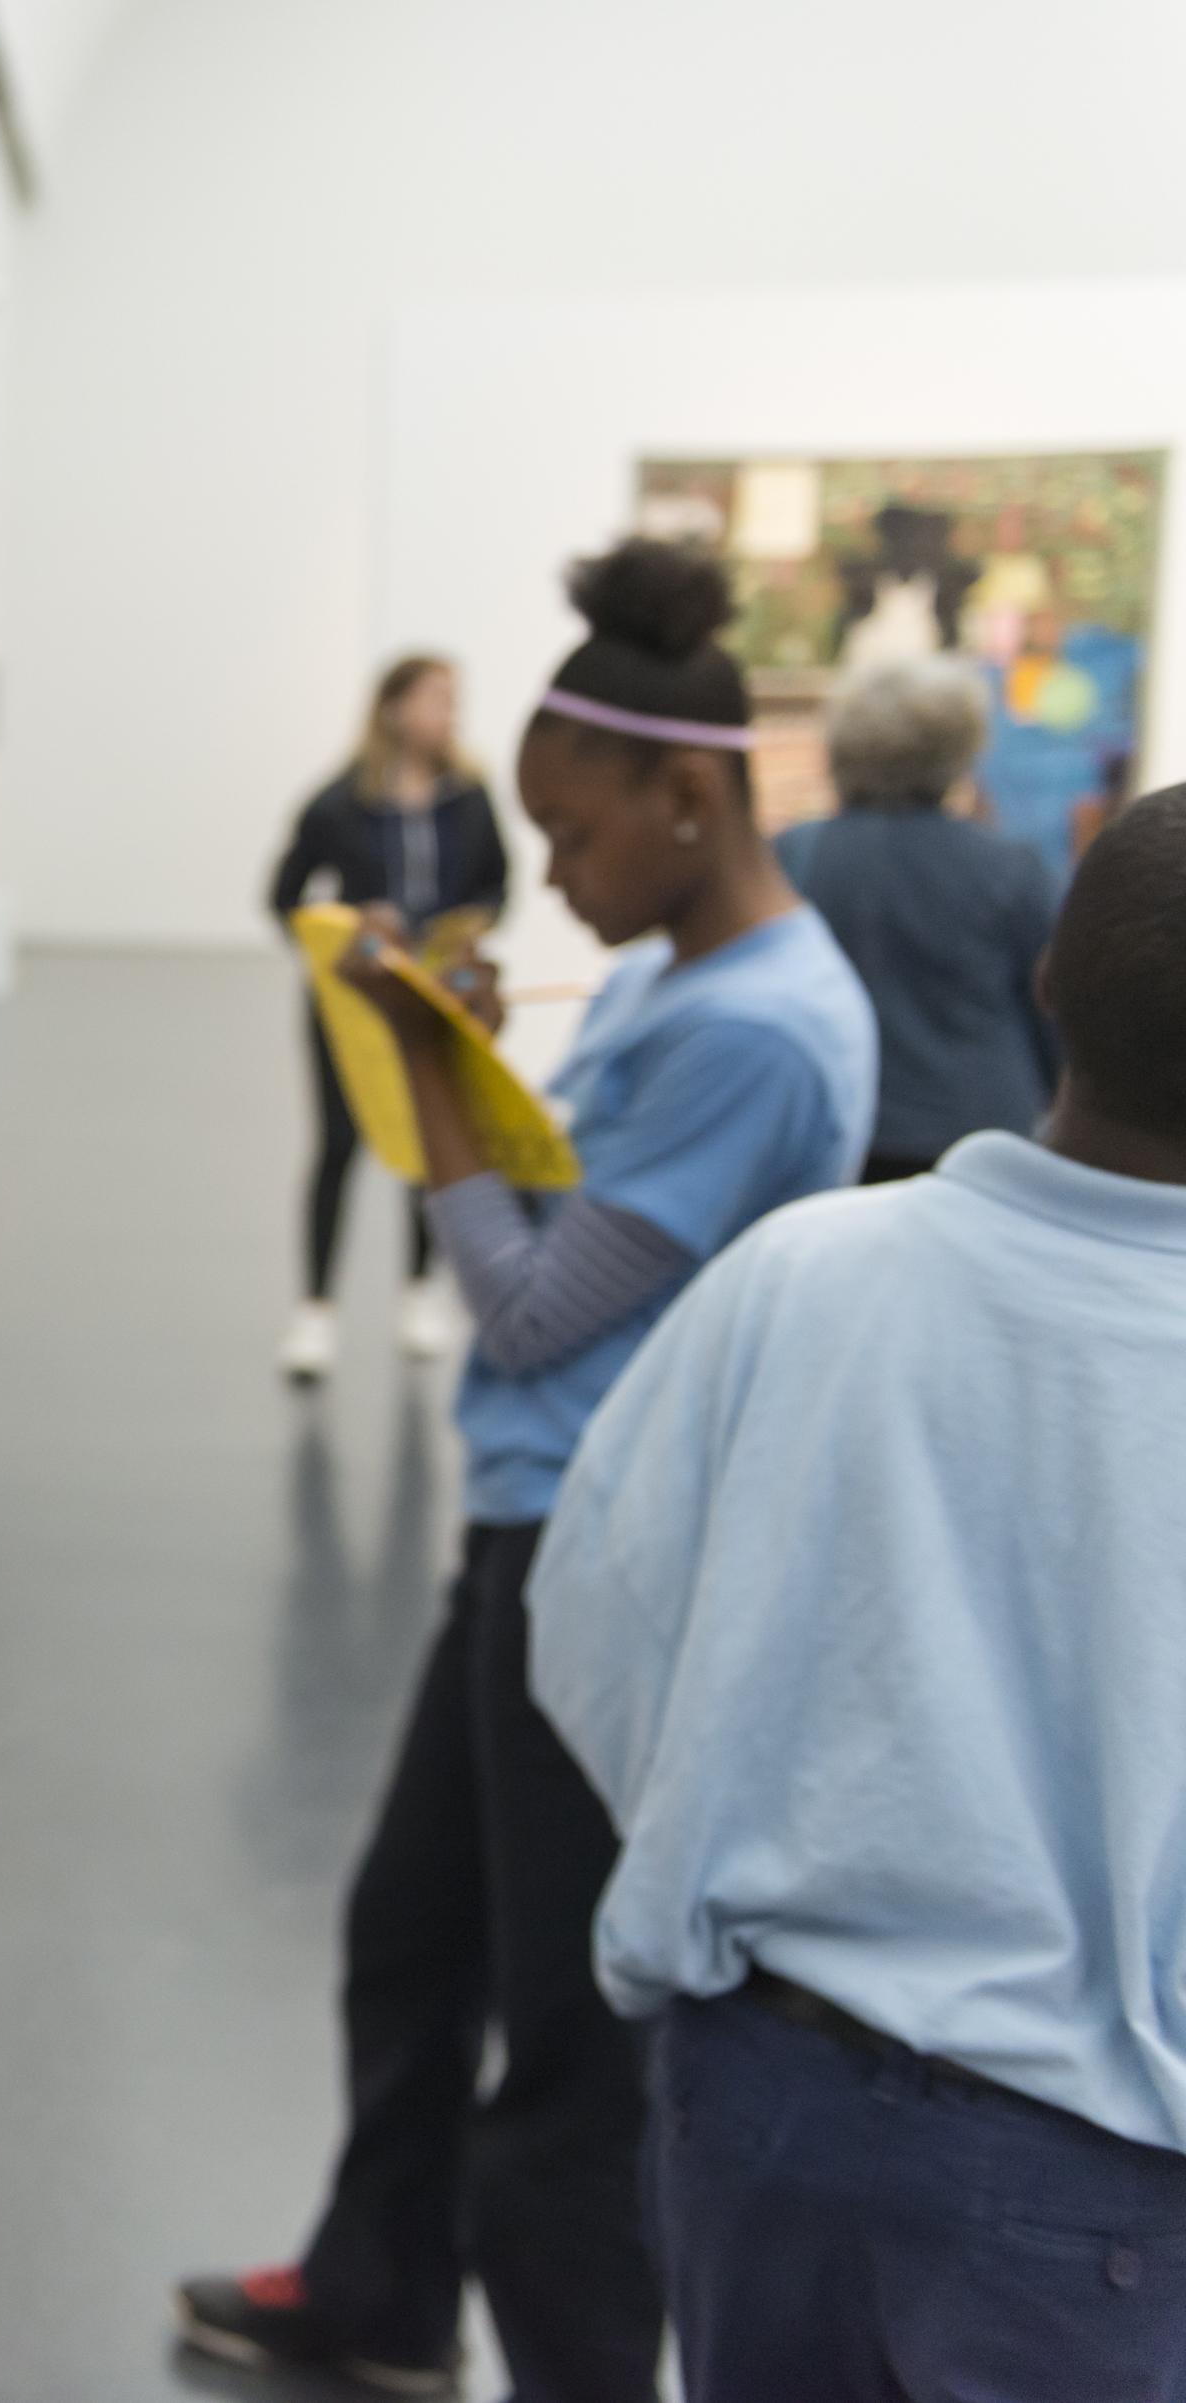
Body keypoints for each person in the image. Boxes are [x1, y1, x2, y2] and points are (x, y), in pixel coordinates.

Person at [179, 540, 877, 2400]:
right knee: (409, 1936)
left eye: (569, 834)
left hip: (607, 1557)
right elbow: (577, 1208)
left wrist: (420, 1089)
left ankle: (565, 2358)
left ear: (689, 793)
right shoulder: (680, 972)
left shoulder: (756, 1023)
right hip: (537, 1536)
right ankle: (384, 2289)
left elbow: (539, 1303)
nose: (550, 871)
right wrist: (486, 1081)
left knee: (569, 2041)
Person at [530, 787, 1186, 2400]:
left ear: (1042, 978)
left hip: (762, 2108)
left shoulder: (800, 1273)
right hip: (1102, 2182)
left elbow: (595, 1637)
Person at [269, 656, 511, 1380]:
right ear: (396, 708)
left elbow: (498, 883)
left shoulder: (469, 797)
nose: (449, 716)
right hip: (352, 1003)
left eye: (454, 701)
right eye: (437, 700)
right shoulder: (340, 802)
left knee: (427, 1142)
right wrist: (340, 940)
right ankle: (315, 1310)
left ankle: (418, 1290)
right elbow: (285, 895)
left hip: (436, 996)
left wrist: (472, 930)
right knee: (339, 1144)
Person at [777, 654, 1060, 1181]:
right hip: (977, 1140)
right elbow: (1053, 1011)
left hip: (832, 1132)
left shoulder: (793, 857)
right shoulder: (1008, 867)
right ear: (959, 748)